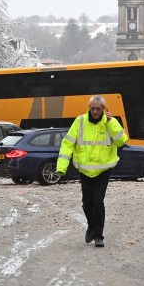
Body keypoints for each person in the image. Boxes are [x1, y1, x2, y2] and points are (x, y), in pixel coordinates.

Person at [56, 95, 128, 248]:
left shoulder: (110, 123)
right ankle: (91, 226)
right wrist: (61, 167)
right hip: (85, 170)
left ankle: (98, 236)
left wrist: (112, 122)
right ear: (89, 107)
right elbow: (67, 144)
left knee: (97, 202)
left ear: (104, 109)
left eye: (98, 109)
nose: (95, 111)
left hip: (103, 170)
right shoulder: (80, 121)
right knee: (87, 203)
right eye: (92, 108)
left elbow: (122, 141)